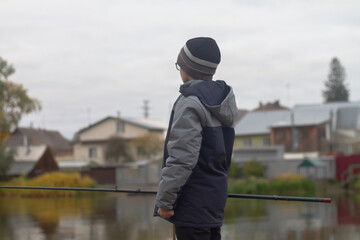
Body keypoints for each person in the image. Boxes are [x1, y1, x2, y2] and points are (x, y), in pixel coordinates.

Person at [154, 37, 238, 240]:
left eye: (178, 65)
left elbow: (182, 159)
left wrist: (165, 202)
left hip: (191, 207)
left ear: (186, 67)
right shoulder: (223, 102)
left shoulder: (190, 103)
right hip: (213, 205)